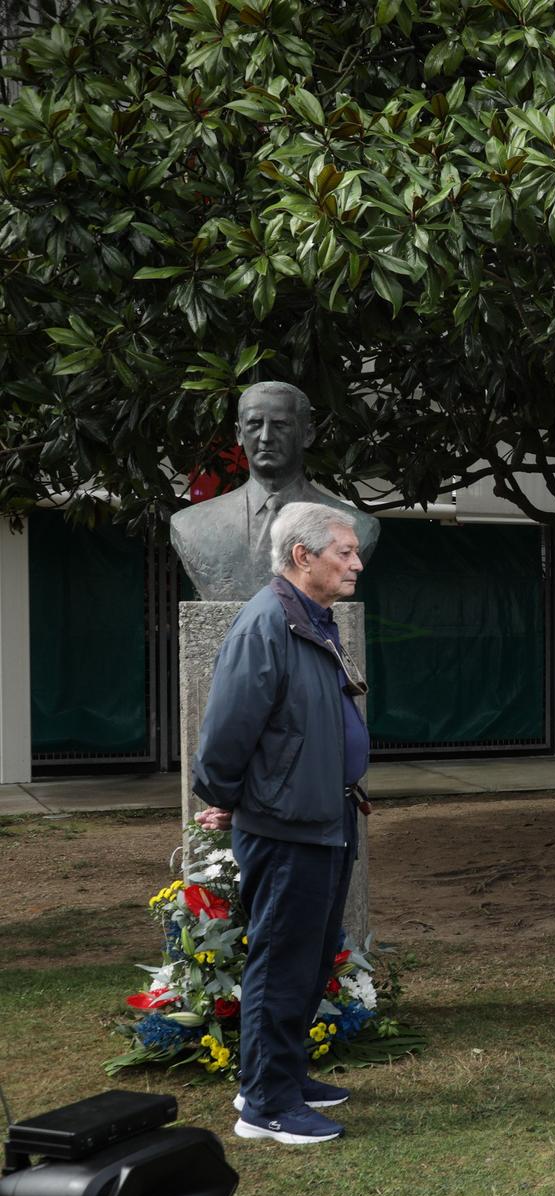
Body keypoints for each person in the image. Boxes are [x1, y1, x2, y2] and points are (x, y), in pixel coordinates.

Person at [191, 502, 370, 1145]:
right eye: (343, 552)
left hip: (324, 815)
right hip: (288, 824)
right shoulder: (266, 624)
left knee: (309, 956)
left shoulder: (310, 620)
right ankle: (265, 1105)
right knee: (282, 961)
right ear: (303, 556)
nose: (356, 562)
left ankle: (279, 1077)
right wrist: (233, 799)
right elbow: (224, 739)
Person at [169, 381, 381, 602]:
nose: (265, 437)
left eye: (280, 425)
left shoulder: (357, 527)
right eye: (254, 424)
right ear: (239, 434)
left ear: (307, 434)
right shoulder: (191, 525)